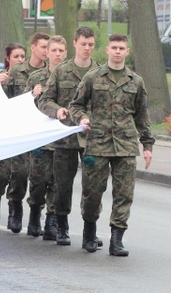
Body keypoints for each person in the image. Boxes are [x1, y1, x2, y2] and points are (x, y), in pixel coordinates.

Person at [69, 34, 154, 257]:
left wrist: (147, 145)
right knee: (92, 192)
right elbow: (76, 105)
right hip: (97, 143)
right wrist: (82, 118)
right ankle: (89, 232)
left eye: (122, 48)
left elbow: (142, 116)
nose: (117, 51)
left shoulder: (135, 81)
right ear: (107, 50)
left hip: (125, 145)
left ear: (127, 52)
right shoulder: (93, 77)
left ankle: (117, 239)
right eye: (114, 47)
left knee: (124, 193)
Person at [39, 27, 100, 246]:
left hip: (91, 140)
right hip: (65, 138)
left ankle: (89, 230)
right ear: (75, 43)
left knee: (93, 186)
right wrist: (57, 110)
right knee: (62, 185)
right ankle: (61, 225)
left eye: (91, 44)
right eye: (83, 43)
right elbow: (44, 100)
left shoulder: (100, 73)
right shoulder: (61, 71)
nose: (87, 48)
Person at [2, 32, 49, 233]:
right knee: (19, 174)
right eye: (43, 47)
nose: (46, 51)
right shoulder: (17, 72)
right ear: (33, 48)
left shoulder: (53, 73)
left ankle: (35, 215)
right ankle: (15, 209)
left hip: (42, 133)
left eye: (50, 47)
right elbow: (6, 101)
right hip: (21, 131)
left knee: (39, 179)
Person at [25, 35, 67, 238]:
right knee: (38, 180)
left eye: (61, 51)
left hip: (62, 139)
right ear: (47, 52)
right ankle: (34, 214)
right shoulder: (36, 78)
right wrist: (32, 94)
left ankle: (51, 220)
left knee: (58, 183)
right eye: (54, 50)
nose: (57, 54)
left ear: (66, 53)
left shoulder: (71, 76)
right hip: (41, 138)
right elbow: (23, 106)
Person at [0, 43, 27, 224]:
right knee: (0, 174)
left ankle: (15, 209)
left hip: (21, 133)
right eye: (16, 56)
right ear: (8, 58)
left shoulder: (29, 78)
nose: (19, 60)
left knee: (20, 173)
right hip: (1, 133)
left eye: (22, 56)